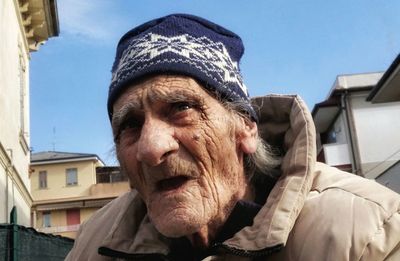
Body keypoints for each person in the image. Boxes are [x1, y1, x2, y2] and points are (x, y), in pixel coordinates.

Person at [66, 14, 400, 261]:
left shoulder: (371, 235)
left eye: (181, 107)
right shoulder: (92, 246)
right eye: (130, 126)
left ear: (245, 128)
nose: (151, 148)